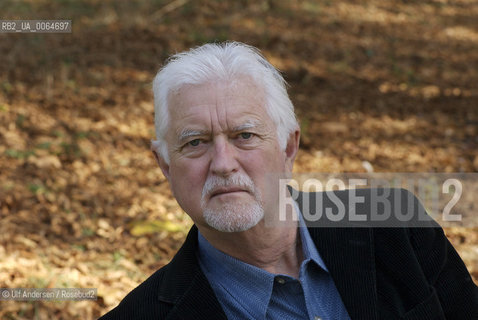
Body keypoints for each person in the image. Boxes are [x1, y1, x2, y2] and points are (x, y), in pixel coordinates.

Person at [100, 42, 478, 320]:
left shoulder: (395, 226)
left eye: (244, 135)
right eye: (195, 142)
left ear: (288, 146)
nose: (223, 163)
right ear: (164, 164)